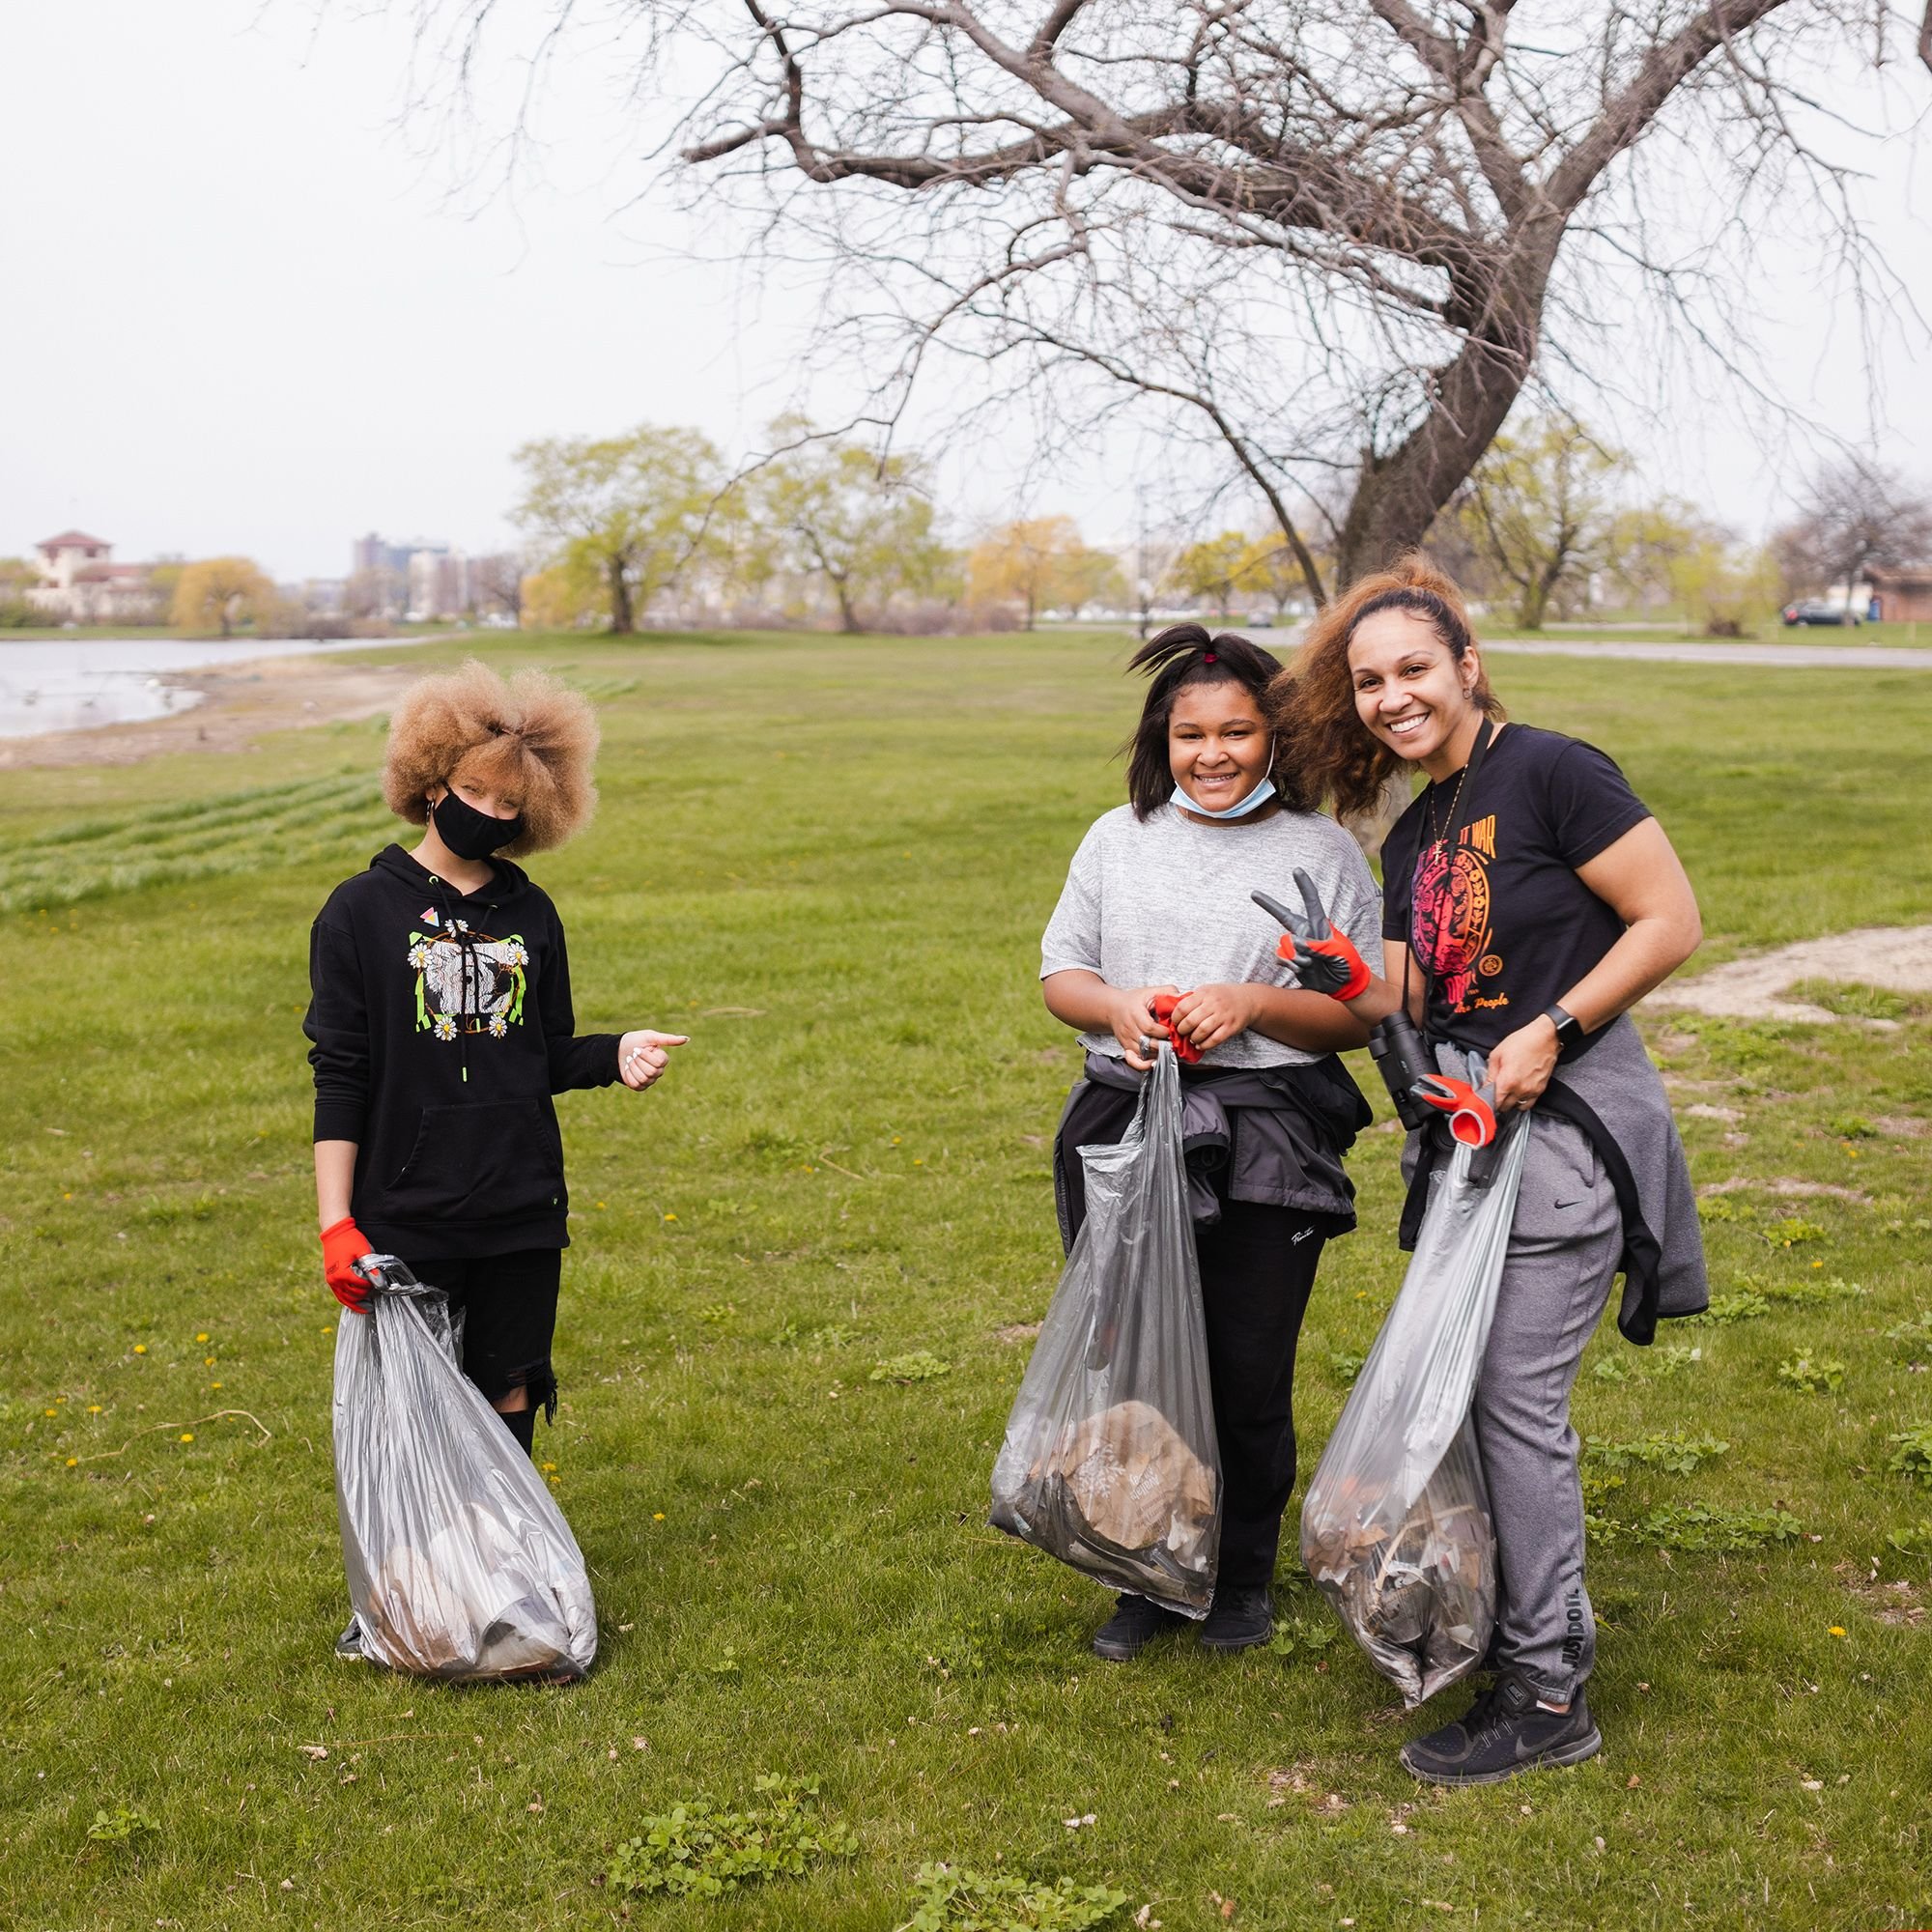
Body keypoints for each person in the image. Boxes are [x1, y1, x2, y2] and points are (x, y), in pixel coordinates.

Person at [1269, 554, 1708, 1784]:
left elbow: (1667, 920)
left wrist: (1549, 1031)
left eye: (1412, 668)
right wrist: (1338, 972)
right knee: (1473, 1402)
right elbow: (1423, 985)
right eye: (1367, 681)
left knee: (1511, 1409)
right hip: (1475, 1142)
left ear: (1465, 664)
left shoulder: (1553, 770)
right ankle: (1511, 1632)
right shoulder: (1421, 823)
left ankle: (1548, 1689)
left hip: (1564, 1135)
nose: (1390, 696)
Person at [1039, 624, 1380, 1660]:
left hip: (1266, 1136)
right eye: (1191, 734)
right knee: (1134, 1360)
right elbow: (1062, 978)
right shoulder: (1117, 836)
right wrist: (1120, 1003)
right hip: (1127, 1124)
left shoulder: (1318, 848)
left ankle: (1237, 1573)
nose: (1214, 753)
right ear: (1161, 737)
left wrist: (1252, 1002)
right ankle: (1148, 1566)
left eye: (1238, 731)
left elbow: (1357, 1015)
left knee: (1244, 1367)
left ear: (1277, 736)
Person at [304, 660, 687, 1459]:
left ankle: (508, 1559)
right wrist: (337, 1222)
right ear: (433, 782)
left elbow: (537, 1052)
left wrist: (614, 1052)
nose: (490, 813)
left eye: (510, 805)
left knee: (510, 1383)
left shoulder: (531, 911)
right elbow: (341, 1074)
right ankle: (426, 1567)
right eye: (475, 793)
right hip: (409, 1205)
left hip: (520, 1198)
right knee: (418, 1399)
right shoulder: (359, 911)